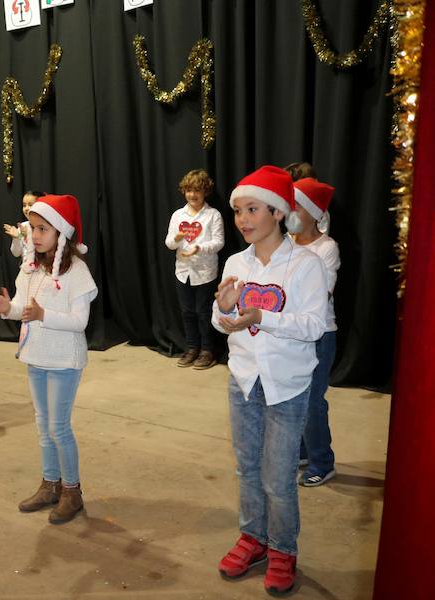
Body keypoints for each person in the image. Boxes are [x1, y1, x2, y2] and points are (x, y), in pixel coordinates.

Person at [212, 166, 327, 595]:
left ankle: (282, 549)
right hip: (243, 381)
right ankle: (253, 538)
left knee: (278, 477)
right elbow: (223, 323)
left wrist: (263, 316)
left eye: (252, 209)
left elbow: (314, 325)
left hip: (286, 386)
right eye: (238, 210)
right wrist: (224, 310)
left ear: (278, 212)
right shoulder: (235, 262)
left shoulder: (305, 264)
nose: (243, 219)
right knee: (247, 468)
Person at [0, 194, 97, 524]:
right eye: (32, 228)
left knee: (58, 428)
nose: (34, 235)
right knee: (42, 426)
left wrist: (43, 313)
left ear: (61, 232)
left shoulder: (77, 271)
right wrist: (10, 310)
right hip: (35, 357)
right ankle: (50, 485)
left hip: (63, 360)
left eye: (42, 229)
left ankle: (72, 491)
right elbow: (23, 308)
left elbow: (79, 322)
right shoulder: (29, 268)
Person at [292, 177, 340, 487]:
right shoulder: (283, 241)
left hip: (320, 335)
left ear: (312, 212)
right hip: (290, 333)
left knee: (312, 400)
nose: (290, 211)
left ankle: (323, 462)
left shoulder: (327, 247)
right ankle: (302, 450)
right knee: (294, 395)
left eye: (296, 205)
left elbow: (320, 294)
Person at [164, 169, 225, 369]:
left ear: (205, 192)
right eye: (189, 190)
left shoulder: (212, 215)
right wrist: (177, 238)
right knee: (187, 312)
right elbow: (169, 244)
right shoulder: (177, 215)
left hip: (205, 272)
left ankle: (207, 350)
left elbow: (219, 242)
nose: (192, 195)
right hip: (183, 272)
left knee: (203, 312)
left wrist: (200, 247)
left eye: (197, 190)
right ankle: (192, 347)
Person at [2, 190, 42, 258]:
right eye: (24, 205)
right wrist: (16, 238)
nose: (26, 208)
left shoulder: (45, 227)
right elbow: (16, 253)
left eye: (30, 205)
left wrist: (28, 236)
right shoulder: (23, 226)